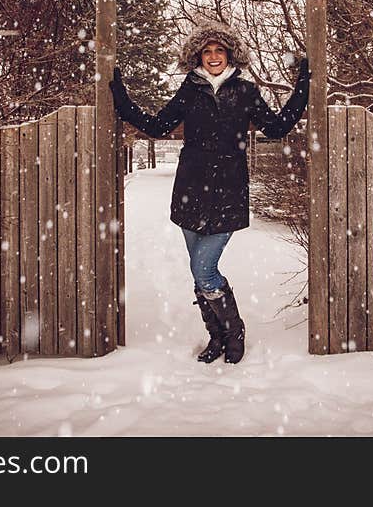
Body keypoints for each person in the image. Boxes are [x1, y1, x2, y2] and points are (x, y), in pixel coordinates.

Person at [109, 18, 310, 364]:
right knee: (197, 270)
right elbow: (157, 125)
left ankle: (235, 334)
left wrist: (302, 86)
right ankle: (216, 337)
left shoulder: (245, 91)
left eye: (219, 50)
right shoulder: (190, 90)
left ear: (230, 55)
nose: (213, 56)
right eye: (207, 51)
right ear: (198, 57)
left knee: (205, 269)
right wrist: (121, 97)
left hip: (229, 192)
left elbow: (277, 127)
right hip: (190, 191)